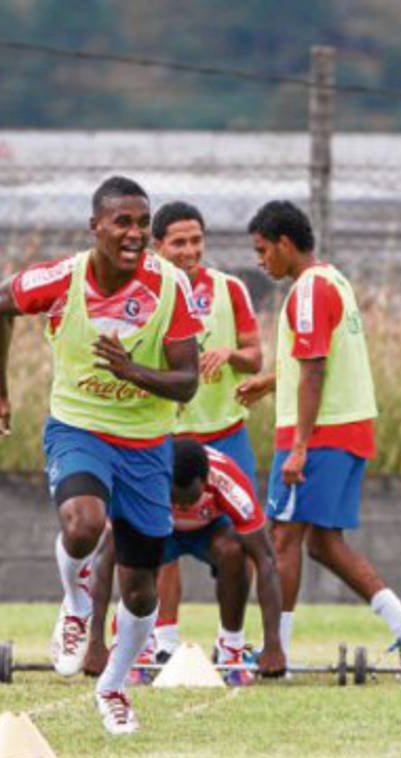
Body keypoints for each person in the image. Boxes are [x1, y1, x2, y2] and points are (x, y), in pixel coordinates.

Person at [0, 176, 201, 734]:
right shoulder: (63, 279)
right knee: (83, 523)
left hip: (147, 444)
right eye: (122, 222)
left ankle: (114, 686)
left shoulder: (168, 286)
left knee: (140, 590)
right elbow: (0, 304)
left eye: (143, 223)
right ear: (95, 226)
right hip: (80, 428)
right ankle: (75, 606)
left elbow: (187, 381)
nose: (135, 233)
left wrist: (133, 372)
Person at [235, 200, 401, 667]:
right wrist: (268, 383)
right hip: (349, 430)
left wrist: (300, 445)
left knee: (280, 538)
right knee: (324, 543)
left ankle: (274, 651)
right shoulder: (334, 280)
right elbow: (313, 360)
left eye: (263, 250)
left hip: (320, 436)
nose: (260, 261)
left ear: (285, 244)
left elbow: (315, 371)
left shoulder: (307, 291)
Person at [149, 200, 264, 660]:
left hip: (224, 432)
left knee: (241, 540)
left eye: (196, 240)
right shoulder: (147, 291)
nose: (189, 250)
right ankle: (163, 642)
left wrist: (229, 355)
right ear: (158, 246)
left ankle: (231, 643)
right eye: (179, 242)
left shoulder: (229, 289)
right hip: (168, 434)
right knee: (160, 539)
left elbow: (256, 356)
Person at [83, 439, 286, 685]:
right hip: (159, 531)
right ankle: (137, 646)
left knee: (235, 551)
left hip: (210, 533)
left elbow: (266, 560)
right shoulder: (144, 478)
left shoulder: (228, 480)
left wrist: (273, 645)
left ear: (205, 480)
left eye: (188, 501)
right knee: (133, 548)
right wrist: (95, 642)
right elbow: (104, 558)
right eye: (175, 501)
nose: (181, 507)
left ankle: (231, 647)